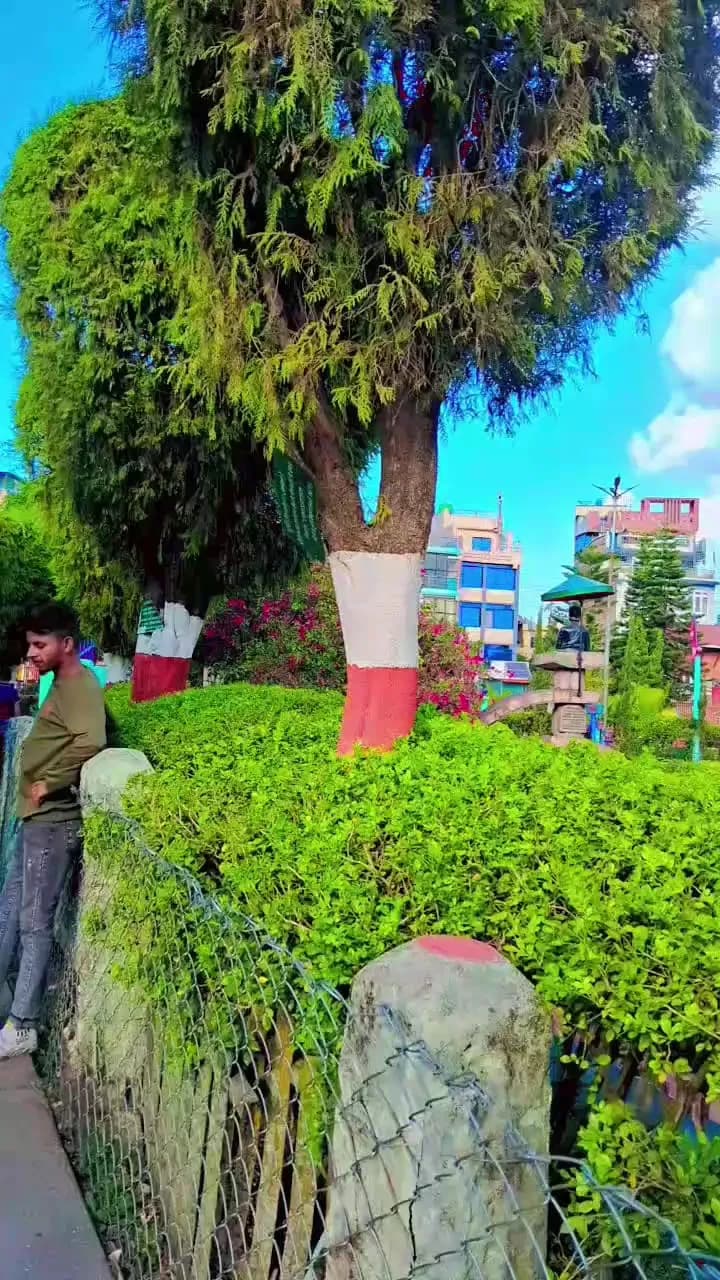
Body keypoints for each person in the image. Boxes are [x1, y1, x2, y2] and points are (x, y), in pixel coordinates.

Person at [0, 603, 106, 1059]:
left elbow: (92, 740)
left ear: (66, 644)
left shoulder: (80, 685)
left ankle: (22, 1026)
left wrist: (52, 780)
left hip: (53, 822)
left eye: (40, 644)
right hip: (35, 817)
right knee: (10, 908)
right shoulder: (57, 684)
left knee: (34, 922)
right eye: (30, 644)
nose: (32, 651)